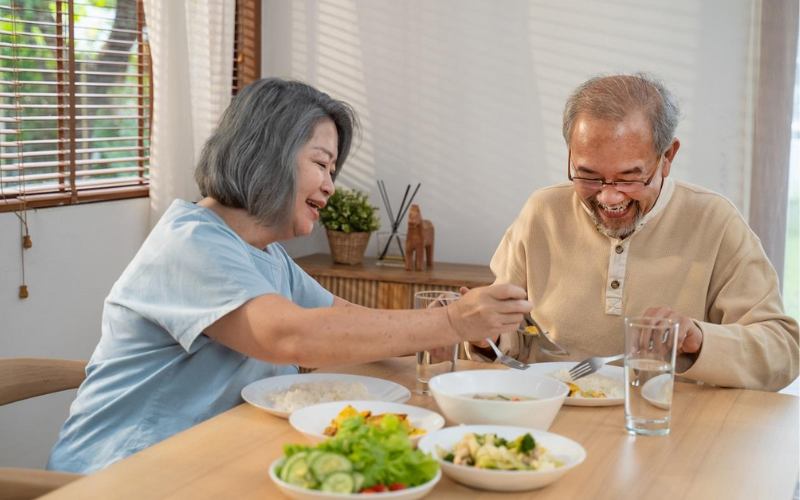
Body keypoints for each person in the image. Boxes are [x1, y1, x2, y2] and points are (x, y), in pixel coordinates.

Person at [47, 78, 532, 474]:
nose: (330, 186)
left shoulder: (265, 254)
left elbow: (342, 319)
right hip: (122, 474)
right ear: (268, 154)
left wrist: (437, 320)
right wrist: (449, 325)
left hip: (205, 464)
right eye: (321, 164)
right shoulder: (189, 243)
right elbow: (291, 335)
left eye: (334, 170)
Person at [470, 73, 799, 392]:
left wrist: (699, 340)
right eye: (588, 176)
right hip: (554, 419)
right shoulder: (542, 211)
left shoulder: (714, 220)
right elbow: (510, 331)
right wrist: (484, 334)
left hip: (666, 427)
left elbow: (782, 352)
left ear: (667, 157)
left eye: (629, 178)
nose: (608, 197)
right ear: (571, 154)